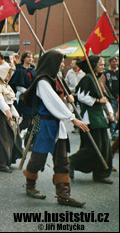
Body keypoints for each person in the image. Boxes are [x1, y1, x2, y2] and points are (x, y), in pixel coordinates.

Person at [22, 50, 89, 207]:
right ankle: (30, 185)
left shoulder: (54, 79)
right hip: (44, 125)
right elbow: (52, 102)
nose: (62, 64)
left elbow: (59, 100)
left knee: (62, 160)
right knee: (38, 159)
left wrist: (68, 98)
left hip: (56, 124)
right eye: (60, 61)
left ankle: (64, 194)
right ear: (52, 62)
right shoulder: (42, 82)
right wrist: (72, 118)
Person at [69, 55, 115, 184]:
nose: (103, 67)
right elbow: (82, 96)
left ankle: (100, 173)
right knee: (93, 147)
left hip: (101, 118)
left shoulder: (98, 80)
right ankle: (70, 162)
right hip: (90, 118)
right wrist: (97, 100)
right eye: (101, 64)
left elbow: (105, 98)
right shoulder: (87, 79)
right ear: (94, 65)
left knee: (104, 147)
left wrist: (110, 112)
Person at [9, 51, 36, 134]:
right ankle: (16, 133)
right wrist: (27, 92)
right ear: (24, 58)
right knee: (27, 120)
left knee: (33, 121)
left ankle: (29, 141)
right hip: (25, 97)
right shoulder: (19, 70)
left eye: (31, 57)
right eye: (28, 57)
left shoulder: (33, 70)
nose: (30, 59)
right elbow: (16, 85)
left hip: (33, 98)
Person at [103, 56, 118, 136]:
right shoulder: (106, 73)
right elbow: (103, 84)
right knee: (113, 114)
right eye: (113, 61)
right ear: (109, 62)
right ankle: (114, 132)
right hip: (111, 97)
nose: (115, 62)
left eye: (116, 61)